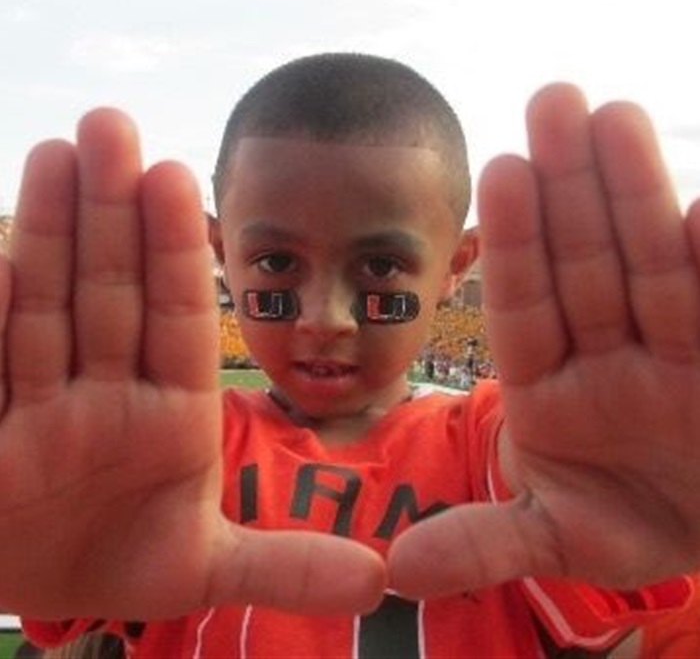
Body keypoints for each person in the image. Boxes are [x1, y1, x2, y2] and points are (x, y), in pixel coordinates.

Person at [1, 52, 700, 657]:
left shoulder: (490, 445)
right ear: (219, 252)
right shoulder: (165, 457)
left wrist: (629, 491)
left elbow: (550, 491)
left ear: (457, 264)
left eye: (381, 267)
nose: (325, 319)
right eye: (276, 262)